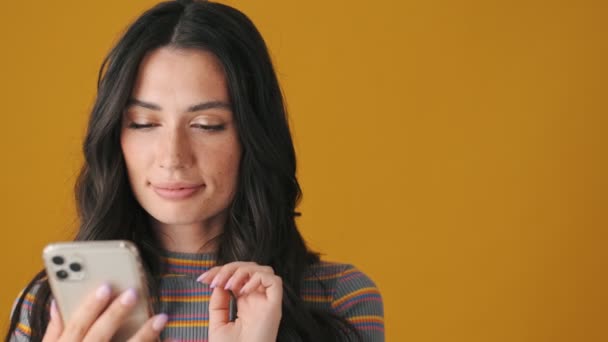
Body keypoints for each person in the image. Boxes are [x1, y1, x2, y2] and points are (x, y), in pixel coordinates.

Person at [5, 1, 384, 341]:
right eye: (142, 123)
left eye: (206, 125)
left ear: (253, 135)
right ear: (115, 135)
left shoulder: (339, 298)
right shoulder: (47, 308)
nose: (172, 157)